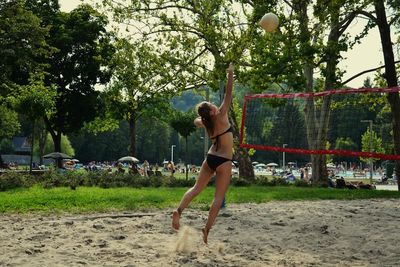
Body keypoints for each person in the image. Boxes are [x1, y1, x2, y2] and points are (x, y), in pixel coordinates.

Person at [172, 62, 235, 244]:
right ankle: (206, 229)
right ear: (212, 110)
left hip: (210, 158)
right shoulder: (221, 115)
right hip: (223, 160)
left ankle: (179, 210)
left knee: (196, 189)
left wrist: (201, 118)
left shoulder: (206, 122)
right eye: (212, 104)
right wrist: (230, 73)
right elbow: (229, 93)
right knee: (218, 198)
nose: (216, 105)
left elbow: (195, 121)